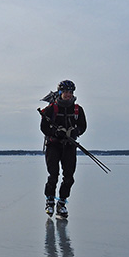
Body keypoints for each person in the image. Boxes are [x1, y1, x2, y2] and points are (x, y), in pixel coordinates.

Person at [40, 80, 87, 219]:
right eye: (65, 92)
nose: (68, 94)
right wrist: (55, 133)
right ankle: (49, 200)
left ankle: (62, 203)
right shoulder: (50, 109)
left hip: (69, 146)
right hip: (53, 146)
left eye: (70, 92)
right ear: (60, 93)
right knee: (53, 175)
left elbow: (83, 126)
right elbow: (44, 128)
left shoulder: (78, 109)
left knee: (69, 177)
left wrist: (75, 132)